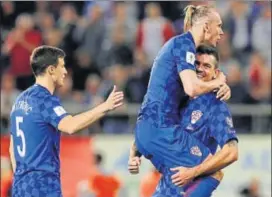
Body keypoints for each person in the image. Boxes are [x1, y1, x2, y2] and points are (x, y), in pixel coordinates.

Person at [129, 4, 230, 187]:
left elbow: (153, 101)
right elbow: (192, 88)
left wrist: (134, 151)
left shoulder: (179, 47)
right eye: (219, 25)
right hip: (161, 130)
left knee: (179, 185)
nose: (221, 32)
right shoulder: (184, 44)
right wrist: (220, 82)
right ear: (206, 26)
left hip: (147, 132)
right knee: (212, 172)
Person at [9, 46, 124, 197]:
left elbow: (13, 147)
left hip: (20, 187)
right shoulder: (44, 100)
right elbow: (70, 126)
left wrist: (22, 177)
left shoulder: (20, 100)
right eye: (61, 66)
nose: (65, 72)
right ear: (51, 70)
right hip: (43, 186)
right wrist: (104, 107)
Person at [129, 44, 239, 197]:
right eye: (197, 64)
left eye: (207, 66)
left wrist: (192, 172)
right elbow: (153, 129)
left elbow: (231, 152)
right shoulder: (176, 97)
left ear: (216, 73)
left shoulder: (215, 106)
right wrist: (134, 154)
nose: (200, 69)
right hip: (165, 188)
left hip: (189, 187)